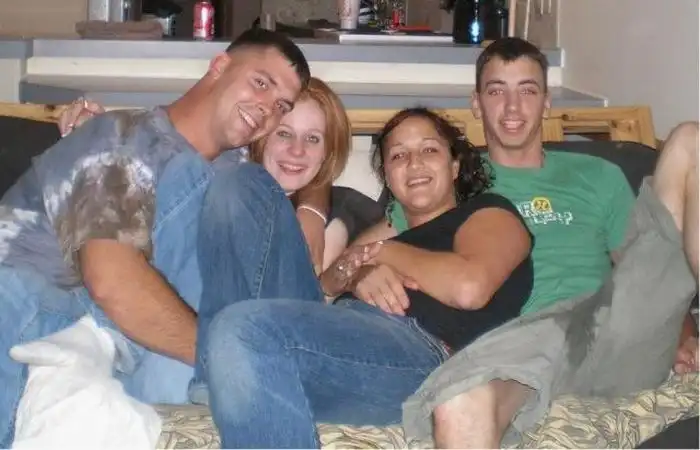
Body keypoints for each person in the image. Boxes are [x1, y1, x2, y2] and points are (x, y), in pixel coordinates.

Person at [0, 28, 315, 448]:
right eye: (261, 82)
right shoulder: (121, 136)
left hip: (120, 345)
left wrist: (318, 202)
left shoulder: (235, 182)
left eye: (281, 107)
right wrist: (233, 360)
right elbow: (113, 280)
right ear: (219, 66)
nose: (266, 109)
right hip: (29, 306)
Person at [395, 37, 699, 448]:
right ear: (476, 103)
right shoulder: (449, 179)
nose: (513, 107)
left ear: (547, 103)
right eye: (496, 91)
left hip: (611, 328)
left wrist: (684, 334)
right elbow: (385, 246)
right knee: (460, 404)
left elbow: (647, 273)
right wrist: (363, 267)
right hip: (522, 343)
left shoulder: (599, 176)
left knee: (690, 139)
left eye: (528, 90)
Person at [196, 107, 535, 448]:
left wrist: (381, 253)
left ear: (455, 165)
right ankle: (216, 373)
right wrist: (357, 275)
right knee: (240, 182)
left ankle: (227, 360)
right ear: (387, 175)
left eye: (429, 150)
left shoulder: (489, 212)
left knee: (242, 329)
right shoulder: (382, 233)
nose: (414, 163)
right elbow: (320, 292)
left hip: (421, 349)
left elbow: (468, 288)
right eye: (398, 155)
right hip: (341, 333)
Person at [58, 77, 374, 271]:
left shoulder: (330, 225)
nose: (297, 150)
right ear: (260, 136)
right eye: (283, 134)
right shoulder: (217, 169)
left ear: (328, 151)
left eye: (313, 139)